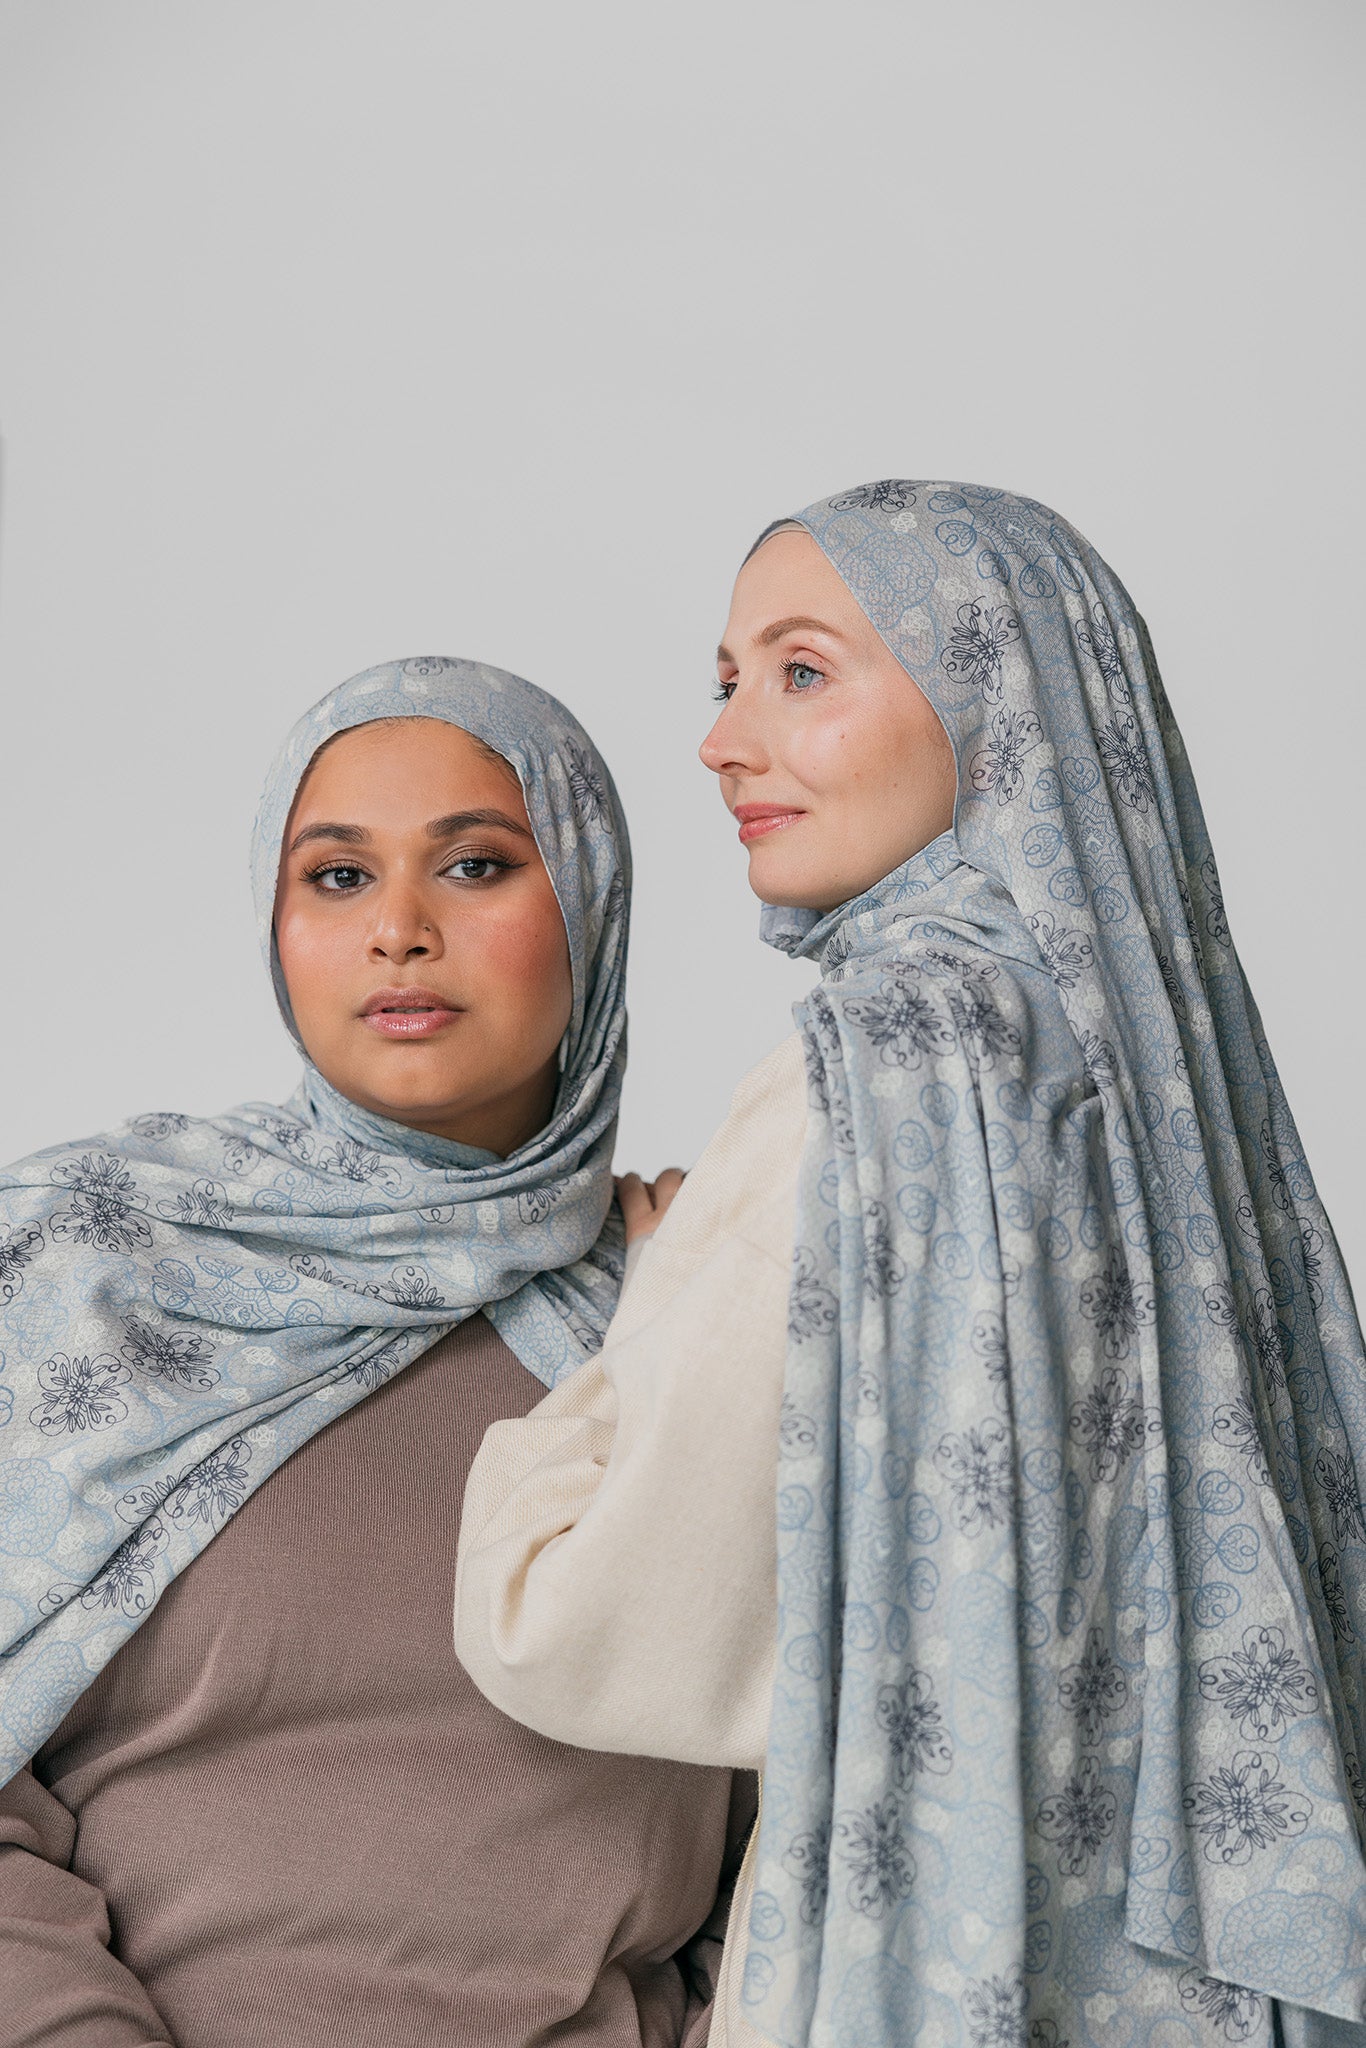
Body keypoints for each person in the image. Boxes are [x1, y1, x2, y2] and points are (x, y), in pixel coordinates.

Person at [455, 487, 1366, 2047]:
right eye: (725, 679)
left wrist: (607, 1352)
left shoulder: (869, 1076)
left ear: (992, 699)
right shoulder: (1157, 1076)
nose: (722, 741)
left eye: (801, 672)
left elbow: (575, 1621)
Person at [0, 656, 751, 2048]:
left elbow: (812, 1849)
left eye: (473, 867)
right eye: (337, 877)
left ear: (587, 904)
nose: (399, 930)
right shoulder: (96, 1269)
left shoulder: (695, 1320)